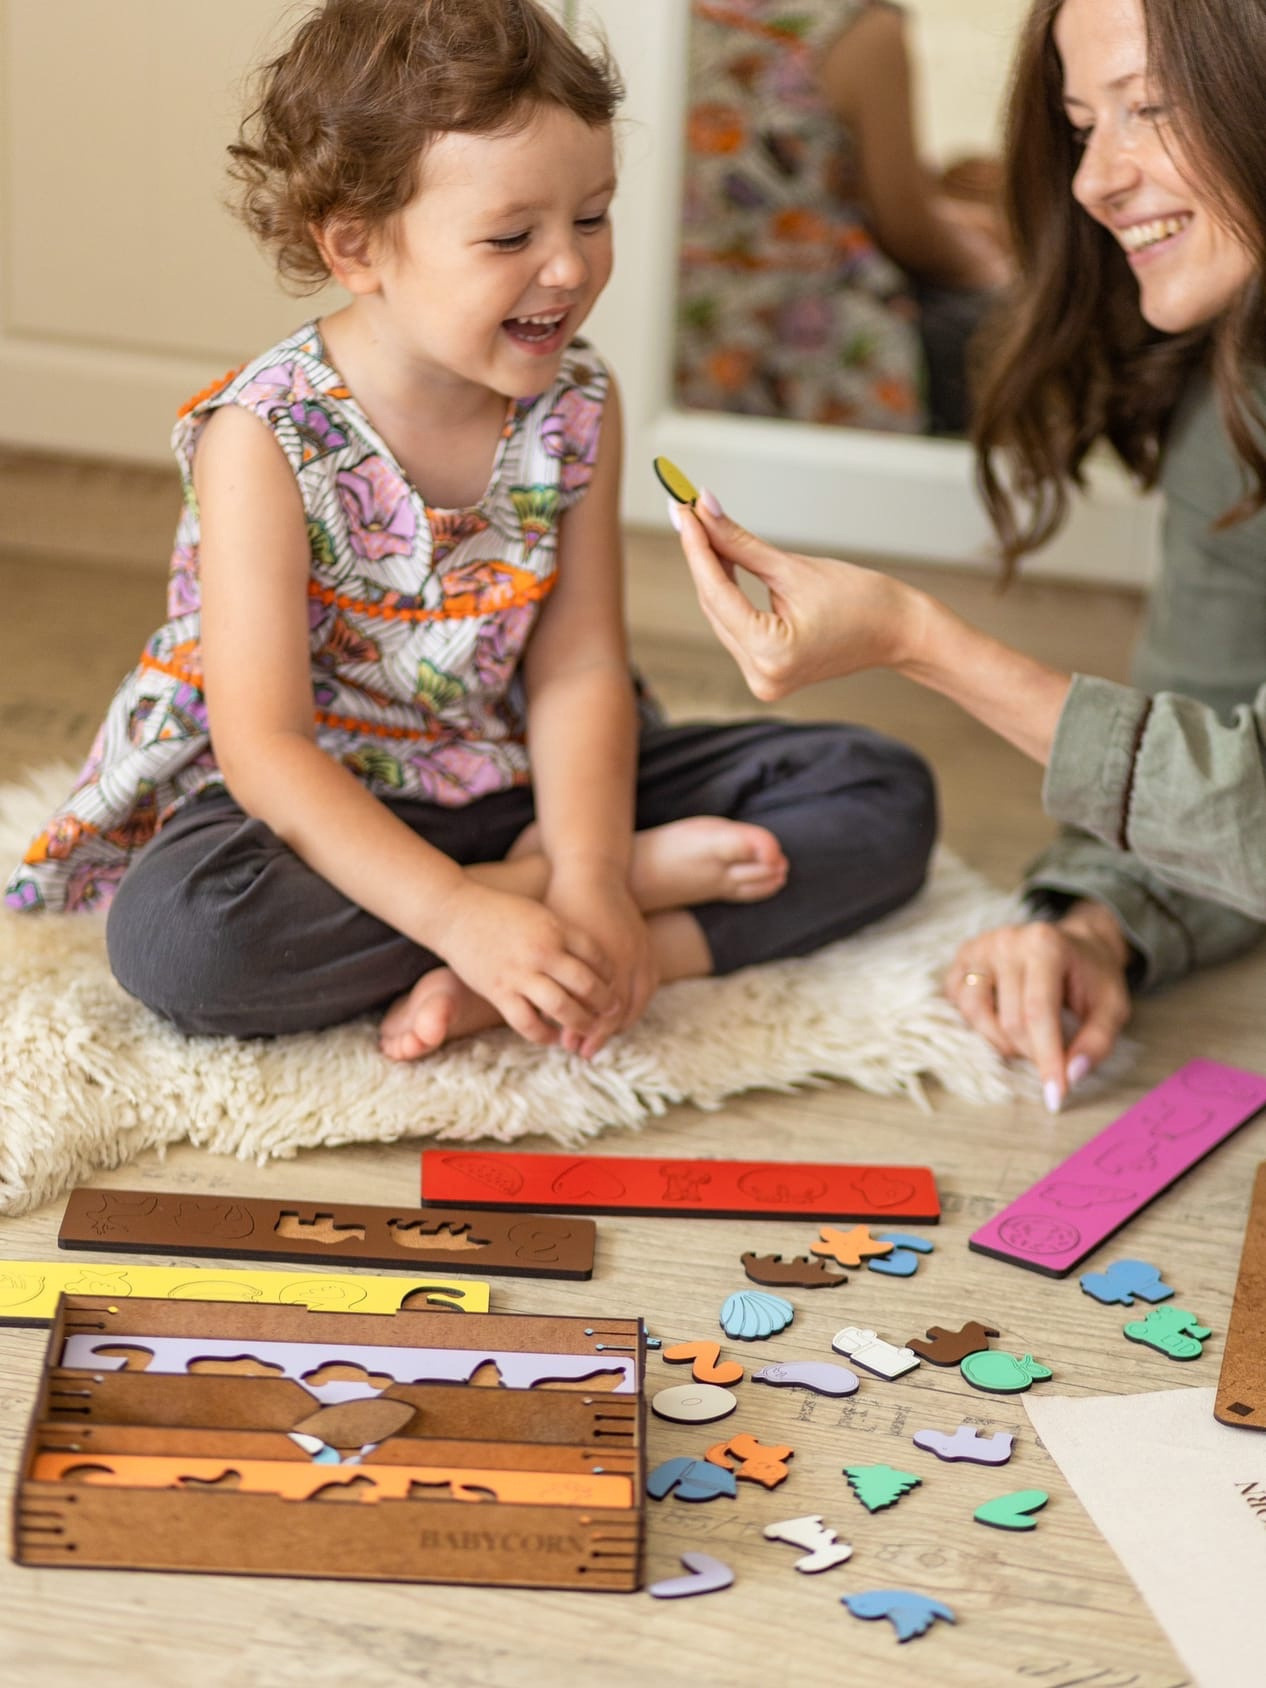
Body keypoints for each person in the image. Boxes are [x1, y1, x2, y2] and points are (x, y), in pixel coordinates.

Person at [5, 0, 937, 1064]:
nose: (569, 269)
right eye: (512, 237)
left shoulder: (577, 401)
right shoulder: (262, 436)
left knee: (883, 794)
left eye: (592, 217)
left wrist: (588, 870)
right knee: (182, 941)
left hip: (516, 768)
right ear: (357, 245)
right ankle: (545, 914)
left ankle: (562, 952)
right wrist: (463, 911)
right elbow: (265, 749)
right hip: (325, 808)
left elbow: (581, 665)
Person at [672, 0, 1266, 1108]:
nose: (1093, 181)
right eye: (1086, 126)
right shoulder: (1237, 399)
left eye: (1150, 108)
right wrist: (1091, 922)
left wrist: (915, 637)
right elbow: (1212, 770)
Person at [675, 0, 1011, 434]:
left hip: (685, 346)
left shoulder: (660, 18)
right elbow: (908, 229)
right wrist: (993, 269)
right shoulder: (858, 28)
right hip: (814, 359)